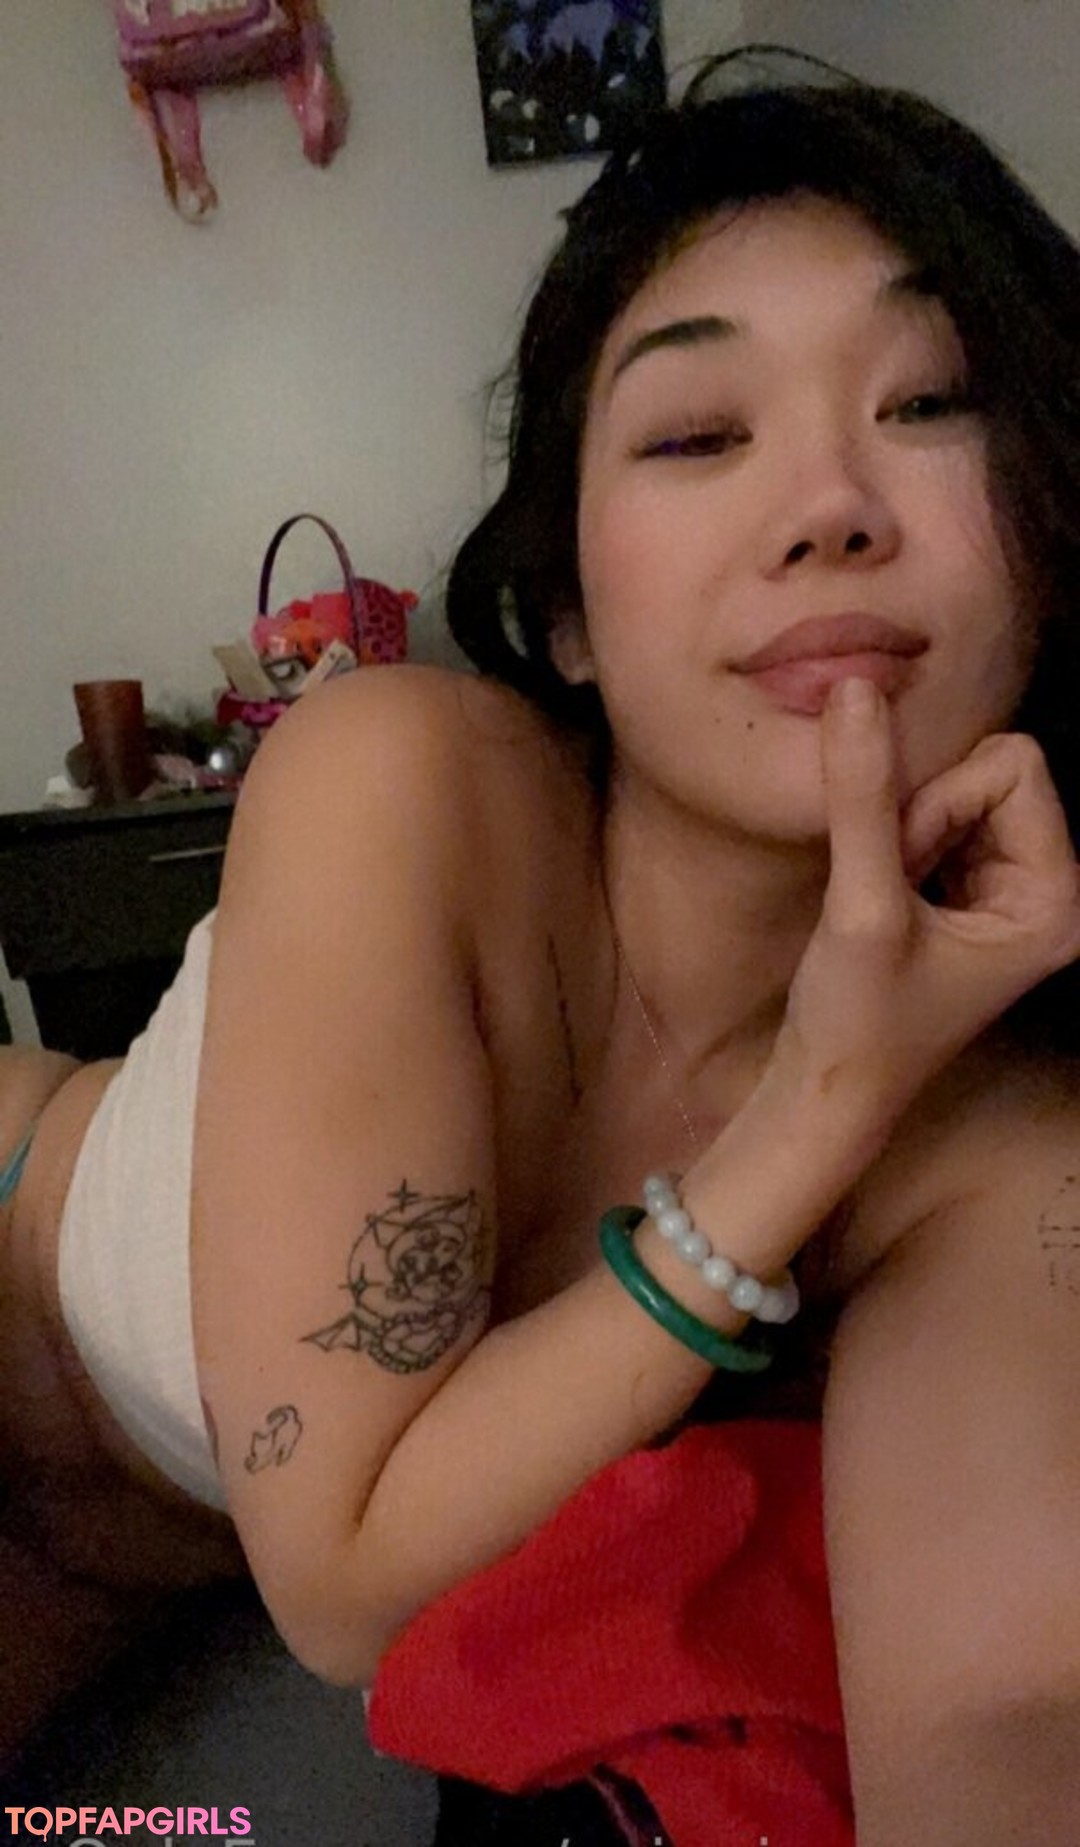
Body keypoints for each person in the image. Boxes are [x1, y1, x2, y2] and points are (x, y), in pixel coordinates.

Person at [2, 42, 1080, 1841]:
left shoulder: (1002, 1134)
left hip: (148, 1559)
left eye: (932, 404)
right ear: (567, 610)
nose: (831, 504)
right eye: (700, 434)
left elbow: (1012, 1709)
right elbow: (345, 1579)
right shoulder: (400, 777)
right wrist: (816, 1106)